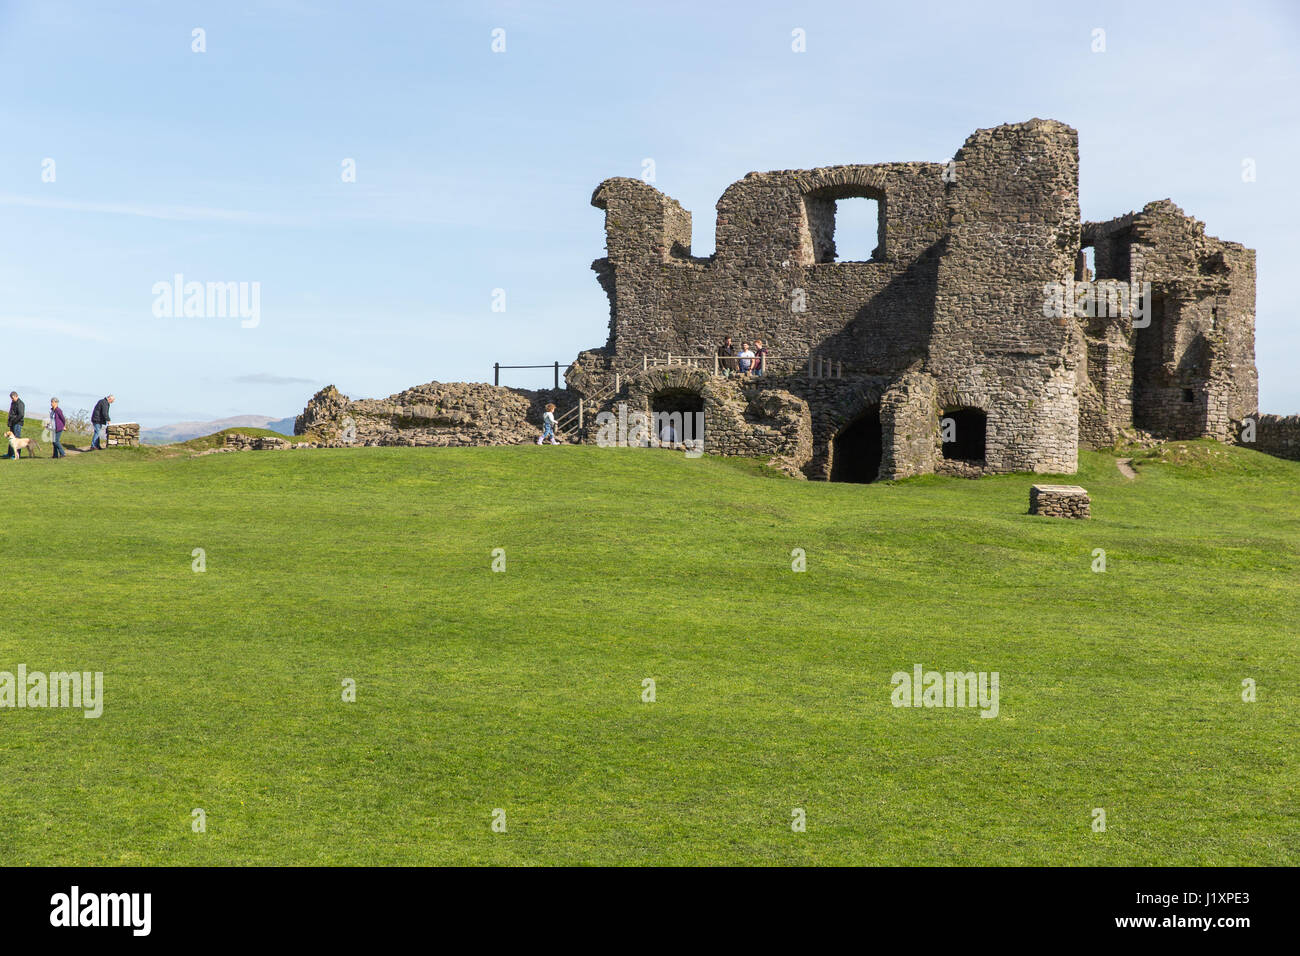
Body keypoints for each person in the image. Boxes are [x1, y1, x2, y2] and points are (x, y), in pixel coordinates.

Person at [3, 392, 24, 458]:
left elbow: (21, 415)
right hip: (12, 423)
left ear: (16, 396)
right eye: (11, 398)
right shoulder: (13, 403)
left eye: (12, 398)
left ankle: (16, 455)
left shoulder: (20, 403)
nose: (12, 399)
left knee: (17, 439)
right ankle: (9, 454)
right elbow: (11, 412)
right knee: (10, 439)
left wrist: (14, 421)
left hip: (17, 424)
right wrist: (10, 422)